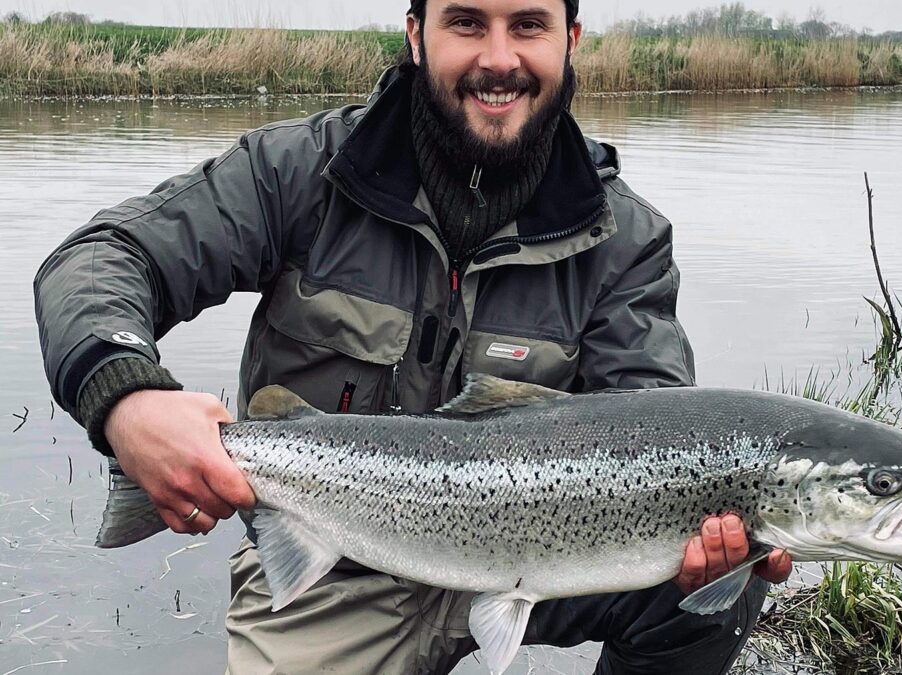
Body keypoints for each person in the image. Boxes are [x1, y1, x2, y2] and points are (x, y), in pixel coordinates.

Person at [34, 0, 792, 672]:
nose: (499, 58)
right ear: (416, 37)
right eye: (466, 22)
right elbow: (103, 258)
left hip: (545, 554)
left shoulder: (624, 236)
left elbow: (655, 415)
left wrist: (713, 543)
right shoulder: (296, 172)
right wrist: (124, 397)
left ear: (571, 41)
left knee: (718, 593)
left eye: (528, 25)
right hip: (336, 559)